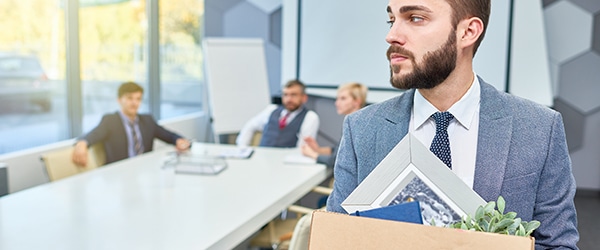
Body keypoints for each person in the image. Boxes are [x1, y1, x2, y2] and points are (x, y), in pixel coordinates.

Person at [326, 0, 579, 249]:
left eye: (415, 18)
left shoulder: (540, 128)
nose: (392, 36)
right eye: (391, 20)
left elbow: (558, 244)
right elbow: (336, 239)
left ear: (468, 32)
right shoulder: (361, 129)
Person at [72, 81, 190, 166]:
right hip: (118, 175)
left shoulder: (147, 121)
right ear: (119, 100)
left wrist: (179, 140)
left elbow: (169, 135)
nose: (134, 103)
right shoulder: (110, 121)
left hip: (144, 171)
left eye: (138, 99)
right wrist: (82, 143)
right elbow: (93, 135)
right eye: (129, 98)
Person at [236, 79, 319, 148]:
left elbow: (302, 148)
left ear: (304, 98)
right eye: (285, 95)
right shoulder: (271, 110)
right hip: (262, 157)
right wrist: (243, 147)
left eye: (293, 95)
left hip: (286, 162)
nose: (289, 99)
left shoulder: (310, 117)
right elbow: (250, 126)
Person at [301, 82, 368, 167]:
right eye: (337, 99)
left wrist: (312, 154)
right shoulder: (356, 121)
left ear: (357, 102)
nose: (337, 103)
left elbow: (337, 160)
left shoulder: (357, 125)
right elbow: (338, 150)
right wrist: (318, 150)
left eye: (343, 98)